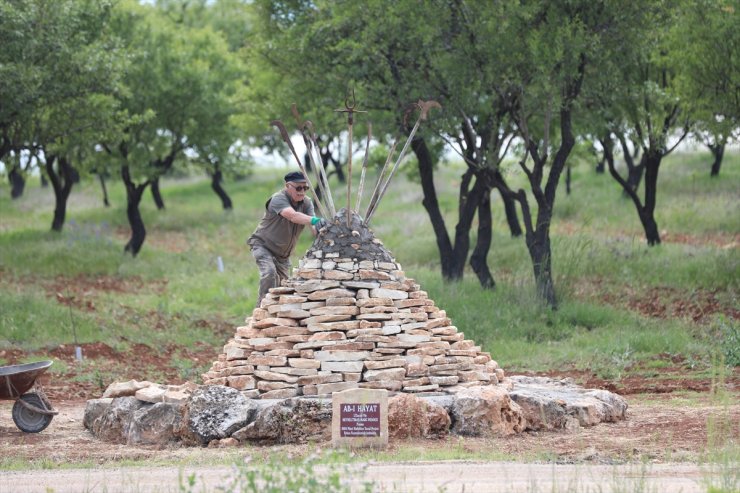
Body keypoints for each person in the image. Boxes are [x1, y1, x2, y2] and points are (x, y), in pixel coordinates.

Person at [248, 171, 326, 306]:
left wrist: (324, 229)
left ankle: (276, 318)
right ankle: (262, 309)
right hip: (263, 246)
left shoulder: (306, 203)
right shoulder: (278, 199)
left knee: (283, 288)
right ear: (288, 186)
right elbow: (291, 215)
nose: (302, 192)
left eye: (305, 188)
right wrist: (315, 220)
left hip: (283, 255)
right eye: (298, 188)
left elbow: (313, 229)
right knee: (269, 273)